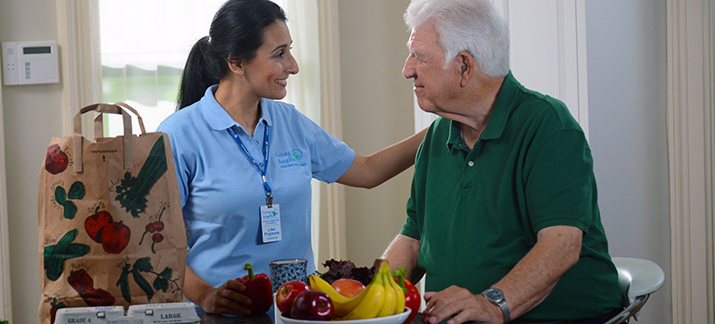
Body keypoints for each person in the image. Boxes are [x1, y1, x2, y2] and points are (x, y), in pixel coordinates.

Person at [157, 0, 425, 316]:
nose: (293, 65)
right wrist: (205, 295)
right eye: (279, 54)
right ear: (237, 62)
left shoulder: (291, 122)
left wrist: (438, 129)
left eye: (290, 50)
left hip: (297, 311)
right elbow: (156, 243)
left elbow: (366, 171)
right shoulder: (180, 134)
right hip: (219, 315)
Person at [381, 0, 623, 323]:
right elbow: (412, 242)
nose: (407, 69)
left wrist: (492, 304)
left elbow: (561, 245)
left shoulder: (548, 127)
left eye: (419, 56)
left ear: (464, 66)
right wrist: (369, 294)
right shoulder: (438, 136)